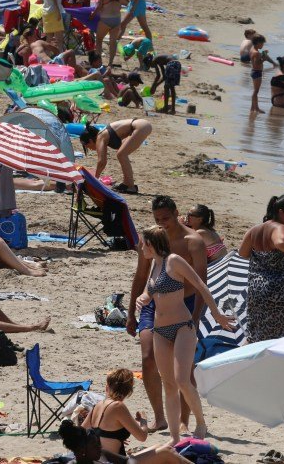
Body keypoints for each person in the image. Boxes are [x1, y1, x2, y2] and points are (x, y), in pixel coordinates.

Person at [140, 226, 232, 446]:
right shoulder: (155, 264)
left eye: (143, 243)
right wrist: (142, 298)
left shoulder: (174, 261)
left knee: (182, 379)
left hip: (183, 326)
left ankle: (200, 423)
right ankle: (173, 438)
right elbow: (148, 291)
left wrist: (217, 315)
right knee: (169, 385)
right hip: (160, 330)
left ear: (151, 244)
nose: (140, 247)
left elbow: (201, 285)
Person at [126, 196, 207, 436]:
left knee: (184, 367)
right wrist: (131, 312)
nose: (162, 224)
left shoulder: (193, 241)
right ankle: (160, 418)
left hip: (185, 304)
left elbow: (202, 282)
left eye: (166, 219)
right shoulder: (151, 239)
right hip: (153, 304)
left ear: (176, 213)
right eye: (157, 219)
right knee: (148, 357)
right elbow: (141, 276)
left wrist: (197, 316)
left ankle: (184, 419)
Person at [240, 195, 284, 344]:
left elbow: (243, 253)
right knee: (276, 341)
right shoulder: (280, 228)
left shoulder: (255, 230)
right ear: (281, 212)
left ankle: (237, 364)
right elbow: (281, 242)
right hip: (279, 296)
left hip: (256, 291)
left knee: (253, 335)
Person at [59, 419, 189, 464]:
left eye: (98, 443)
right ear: (82, 450)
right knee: (166, 453)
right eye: (95, 445)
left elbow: (126, 460)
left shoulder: (100, 453)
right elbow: (142, 436)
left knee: (163, 449)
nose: (100, 447)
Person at [79, 119, 152, 194]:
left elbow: (102, 162)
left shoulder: (100, 137)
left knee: (121, 154)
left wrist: (94, 180)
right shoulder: (103, 135)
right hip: (142, 125)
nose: (89, 149)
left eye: (86, 146)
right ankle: (126, 184)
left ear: (90, 140)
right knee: (121, 153)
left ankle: (131, 186)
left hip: (140, 126)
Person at [92, 0, 123, 66]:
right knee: (113, 42)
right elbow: (120, 6)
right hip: (117, 20)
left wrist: (92, 16)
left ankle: (99, 62)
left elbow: (98, 7)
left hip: (106, 19)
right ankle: (110, 63)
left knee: (99, 40)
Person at [248, 33, 268, 114]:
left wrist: (262, 54)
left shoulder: (252, 50)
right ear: (258, 43)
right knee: (256, 91)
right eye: (262, 43)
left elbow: (256, 61)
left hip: (254, 71)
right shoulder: (256, 52)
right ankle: (256, 108)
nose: (263, 45)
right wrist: (264, 58)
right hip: (257, 72)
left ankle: (253, 107)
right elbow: (257, 63)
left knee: (255, 91)